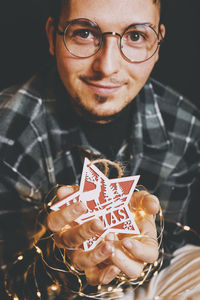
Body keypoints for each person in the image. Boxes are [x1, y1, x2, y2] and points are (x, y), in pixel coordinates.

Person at [0, 0, 199, 299]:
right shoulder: (9, 133)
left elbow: (168, 244)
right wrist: (60, 261)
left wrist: (139, 256)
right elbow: (12, 280)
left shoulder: (183, 125)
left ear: (156, 45)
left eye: (135, 36)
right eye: (83, 33)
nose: (106, 67)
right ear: (53, 36)